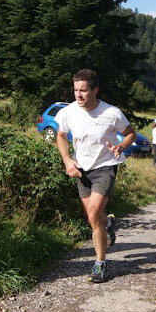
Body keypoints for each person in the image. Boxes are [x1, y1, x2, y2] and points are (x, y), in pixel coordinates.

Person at [54, 69, 136, 284]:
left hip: (105, 167)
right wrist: (67, 160)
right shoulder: (68, 112)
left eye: (83, 90)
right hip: (81, 168)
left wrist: (121, 146)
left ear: (95, 90)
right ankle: (107, 223)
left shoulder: (111, 113)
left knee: (93, 214)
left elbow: (131, 133)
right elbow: (61, 135)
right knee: (94, 218)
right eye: (75, 90)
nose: (78, 95)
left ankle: (100, 264)